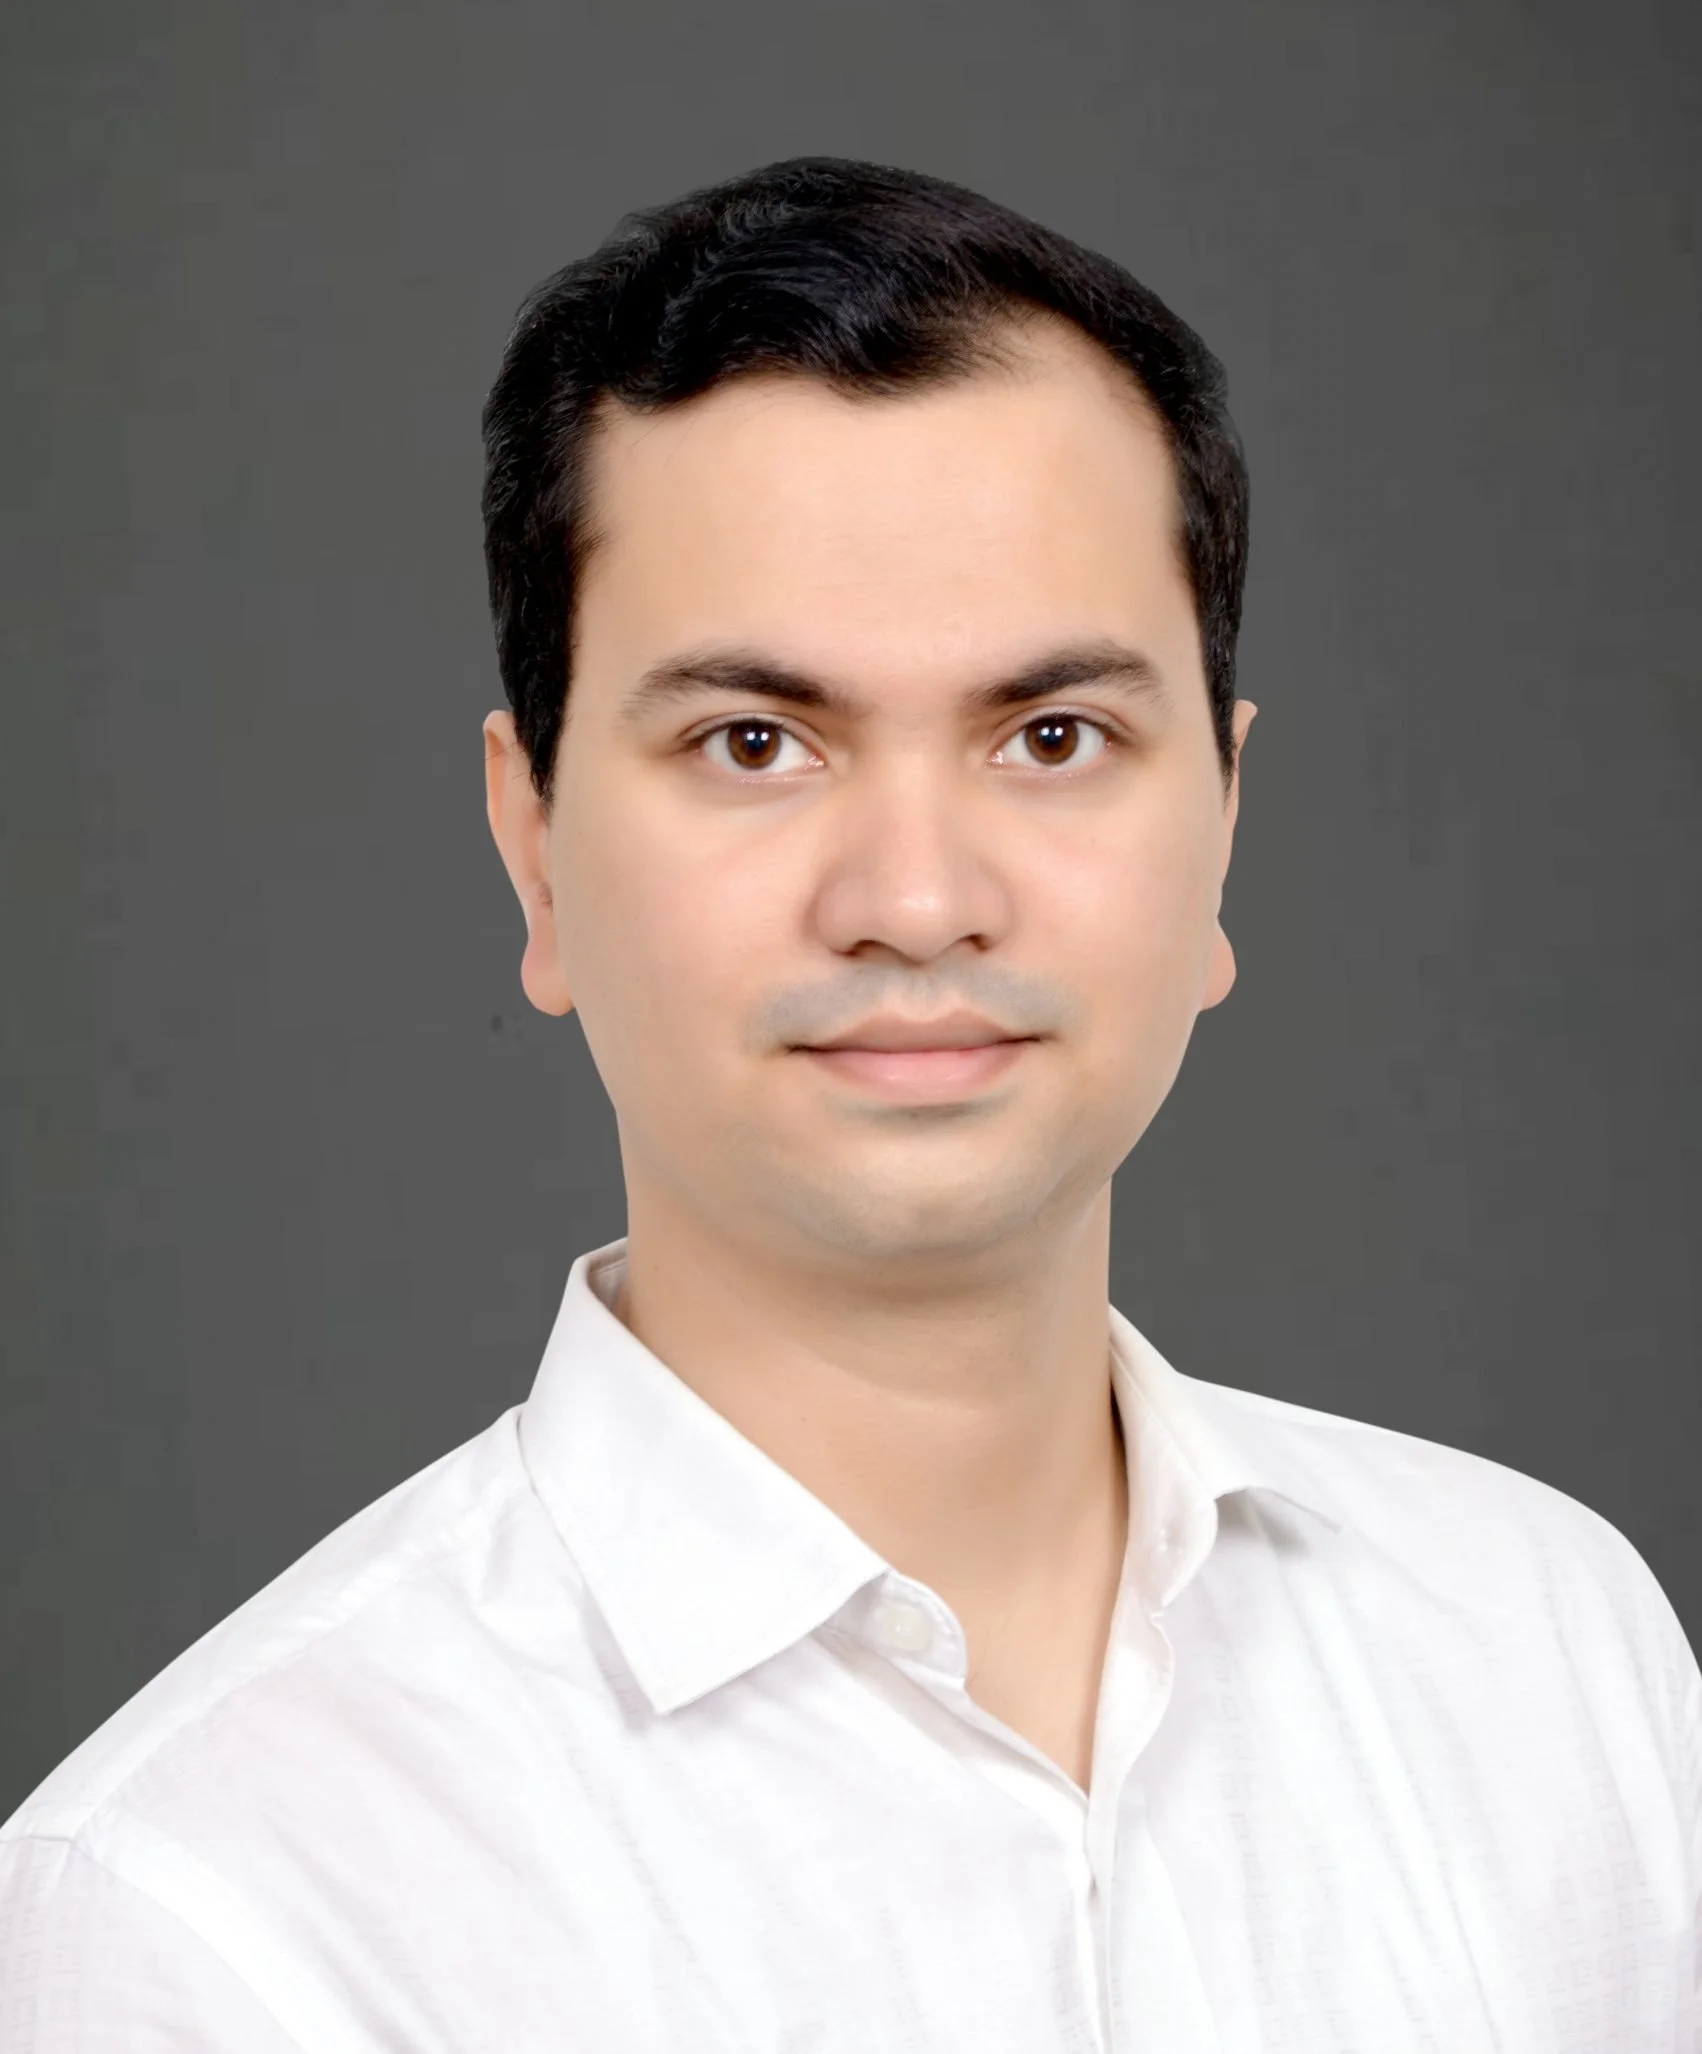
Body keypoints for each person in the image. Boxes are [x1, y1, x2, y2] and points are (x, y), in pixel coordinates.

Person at [1, 155, 1696, 2052]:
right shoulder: (204, 1911)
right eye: (754, 741)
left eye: (1053, 737)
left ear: (1221, 821)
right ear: (535, 847)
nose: (911, 896)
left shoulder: (1550, 1651)